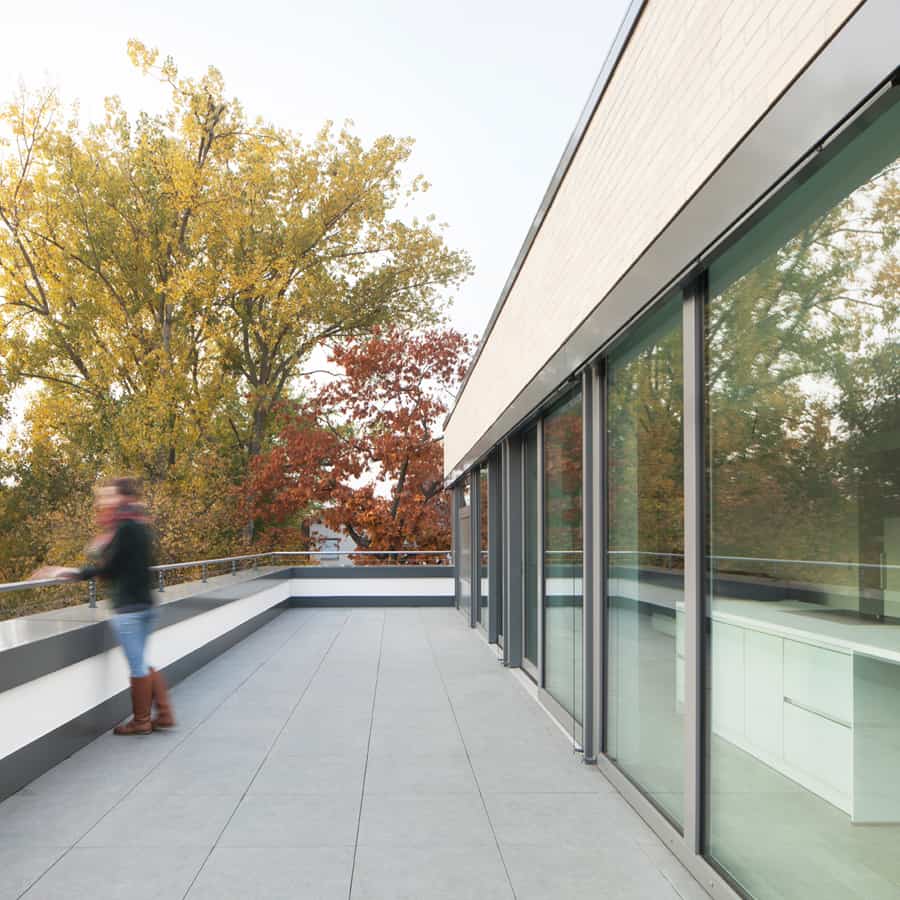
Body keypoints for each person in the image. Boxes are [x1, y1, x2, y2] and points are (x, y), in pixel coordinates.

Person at [33, 477, 175, 735]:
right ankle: (164, 713)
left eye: (109, 495)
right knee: (141, 660)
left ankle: (142, 721)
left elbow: (111, 568)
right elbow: (131, 562)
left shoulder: (125, 528)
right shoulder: (140, 525)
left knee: (137, 665)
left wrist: (71, 572)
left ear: (124, 497)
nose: (103, 500)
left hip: (129, 606)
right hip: (146, 602)